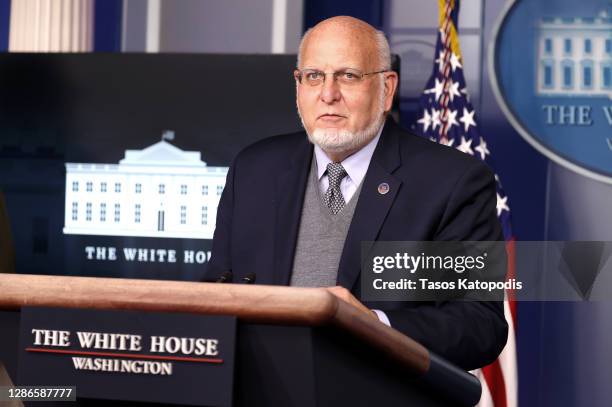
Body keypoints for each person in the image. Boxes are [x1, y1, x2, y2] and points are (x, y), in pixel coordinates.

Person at [208, 16, 507, 370]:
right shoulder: (255, 169)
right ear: (298, 85)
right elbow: (216, 289)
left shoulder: (453, 183)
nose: (328, 94)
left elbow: (479, 325)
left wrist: (374, 324)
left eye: (348, 75)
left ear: (387, 88)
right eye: (314, 76)